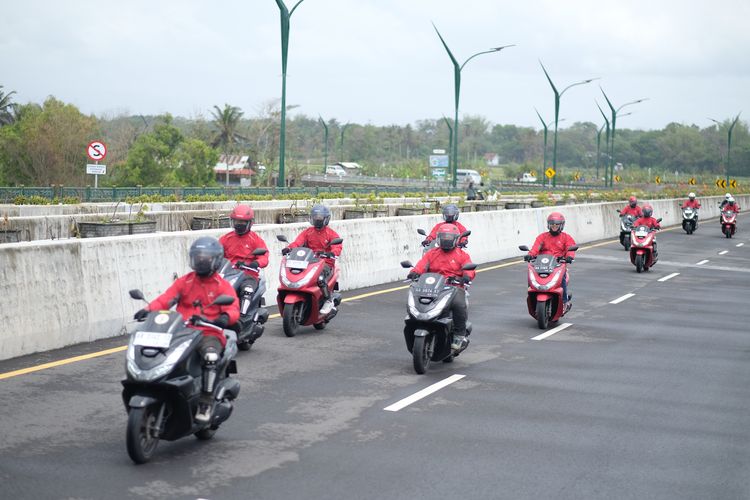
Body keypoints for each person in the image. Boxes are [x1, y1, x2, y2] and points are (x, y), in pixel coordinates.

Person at [133, 236, 239, 423]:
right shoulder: (186, 281)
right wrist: (148, 309)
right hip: (182, 330)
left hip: (208, 332)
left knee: (210, 357)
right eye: (197, 257)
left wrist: (223, 318)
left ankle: (206, 401)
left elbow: (233, 308)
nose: (201, 261)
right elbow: (167, 298)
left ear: (215, 260)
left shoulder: (222, 286)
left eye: (205, 258)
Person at [407, 224, 476, 351]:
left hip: (453, 287)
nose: (446, 240)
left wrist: (466, 277)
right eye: (444, 237)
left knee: (459, 305)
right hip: (433, 286)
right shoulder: (431, 253)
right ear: (438, 239)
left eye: (449, 237)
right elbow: (421, 265)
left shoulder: (462, 255)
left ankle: (459, 335)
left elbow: (469, 268)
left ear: (455, 239)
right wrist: (414, 272)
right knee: (416, 300)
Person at [282, 204, 343, 315]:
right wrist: (289, 248)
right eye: (315, 217)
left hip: (325, 263)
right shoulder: (308, 232)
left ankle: (328, 300)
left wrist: (331, 253)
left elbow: (337, 246)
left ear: (326, 219)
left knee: (320, 278)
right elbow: (297, 242)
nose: (317, 220)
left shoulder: (331, 234)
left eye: (319, 218)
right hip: (309, 262)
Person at [219, 204, 269, 308]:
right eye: (237, 221)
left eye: (242, 222)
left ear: (250, 223)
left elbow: (264, 256)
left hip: (248, 275)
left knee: (247, 290)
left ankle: (243, 315)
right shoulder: (226, 238)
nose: (239, 224)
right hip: (229, 274)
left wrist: (256, 263)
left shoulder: (255, 240)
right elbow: (216, 253)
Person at [526, 212, 576, 306]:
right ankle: (532, 298)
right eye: (552, 224)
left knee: (562, 279)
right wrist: (530, 255)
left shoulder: (566, 237)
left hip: (558, 265)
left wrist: (569, 257)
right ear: (549, 225)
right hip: (542, 264)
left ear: (561, 225)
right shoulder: (542, 237)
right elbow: (535, 248)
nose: (554, 226)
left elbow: (570, 248)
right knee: (531, 276)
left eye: (557, 224)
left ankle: (564, 301)